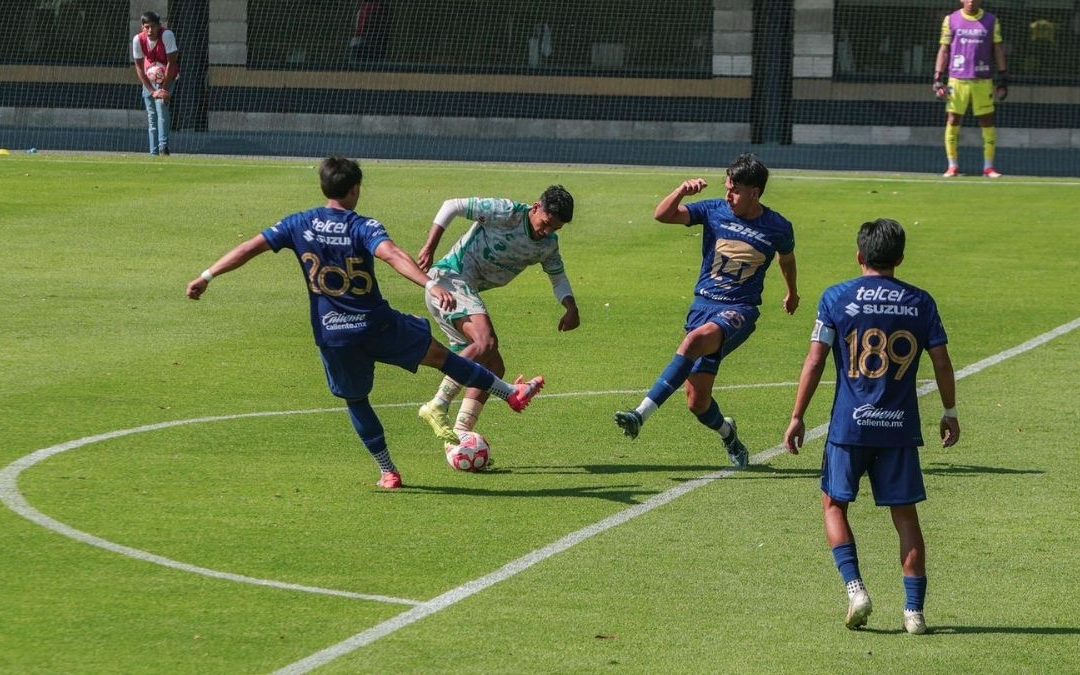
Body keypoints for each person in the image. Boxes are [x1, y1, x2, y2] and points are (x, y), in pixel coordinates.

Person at [185, 157, 544, 489]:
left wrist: (208, 275)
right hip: (378, 325)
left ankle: (388, 471)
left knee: (357, 400)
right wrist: (430, 283)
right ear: (354, 189)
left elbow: (250, 247)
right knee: (445, 359)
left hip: (333, 333)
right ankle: (508, 394)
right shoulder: (362, 226)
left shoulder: (298, 223)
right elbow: (392, 255)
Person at [782, 218, 960, 634]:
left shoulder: (836, 298)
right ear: (899, 258)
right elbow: (942, 361)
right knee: (906, 518)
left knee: (833, 505)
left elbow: (815, 360)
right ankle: (914, 613)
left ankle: (856, 588)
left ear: (860, 255)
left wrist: (797, 416)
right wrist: (949, 411)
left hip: (849, 428)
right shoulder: (921, 302)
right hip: (898, 428)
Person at [614, 154, 799, 468]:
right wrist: (681, 192)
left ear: (755, 192)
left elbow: (787, 258)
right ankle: (729, 435)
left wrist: (792, 292)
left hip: (739, 310)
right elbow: (663, 215)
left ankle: (639, 414)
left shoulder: (778, 227)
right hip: (702, 307)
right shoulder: (714, 210)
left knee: (693, 343)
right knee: (697, 402)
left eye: (735, 190)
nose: (728, 195)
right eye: (727, 187)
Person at [414, 187, 578, 449]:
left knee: (493, 367)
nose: (547, 232)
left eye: (555, 229)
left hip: (461, 292)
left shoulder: (547, 245)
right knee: (485, 341)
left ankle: (457, 438)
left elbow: (557, 276)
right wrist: (430, 246)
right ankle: (437, 405)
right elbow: (452, 203)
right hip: (449, 279)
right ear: (536, 207)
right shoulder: (506, 212)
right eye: (546, 223)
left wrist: (570, 307)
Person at [933, 0, 1008, 178]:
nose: (971, 1)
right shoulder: (951, 19)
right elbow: (944, 50)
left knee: (987, 121)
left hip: (983, 80)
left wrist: (1003, 78)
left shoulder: (991, 20)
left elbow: (997, 49)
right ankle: (952, 166)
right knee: (953, 120)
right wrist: (938, 78)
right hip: (957, 80)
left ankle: (989, 167)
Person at [132, 11, 179, 157]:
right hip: (149, 80)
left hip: (167, 77)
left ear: (159, 26)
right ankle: (153, 152)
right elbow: (139, 67)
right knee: (151, 115)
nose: (150, 30)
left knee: (161, 108)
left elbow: (172, 62)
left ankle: (163, 147)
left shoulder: (167, 35)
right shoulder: (138, 40)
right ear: (142, 28)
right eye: (147, 27)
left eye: (153, 26)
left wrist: (164, 89)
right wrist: (152, 90)